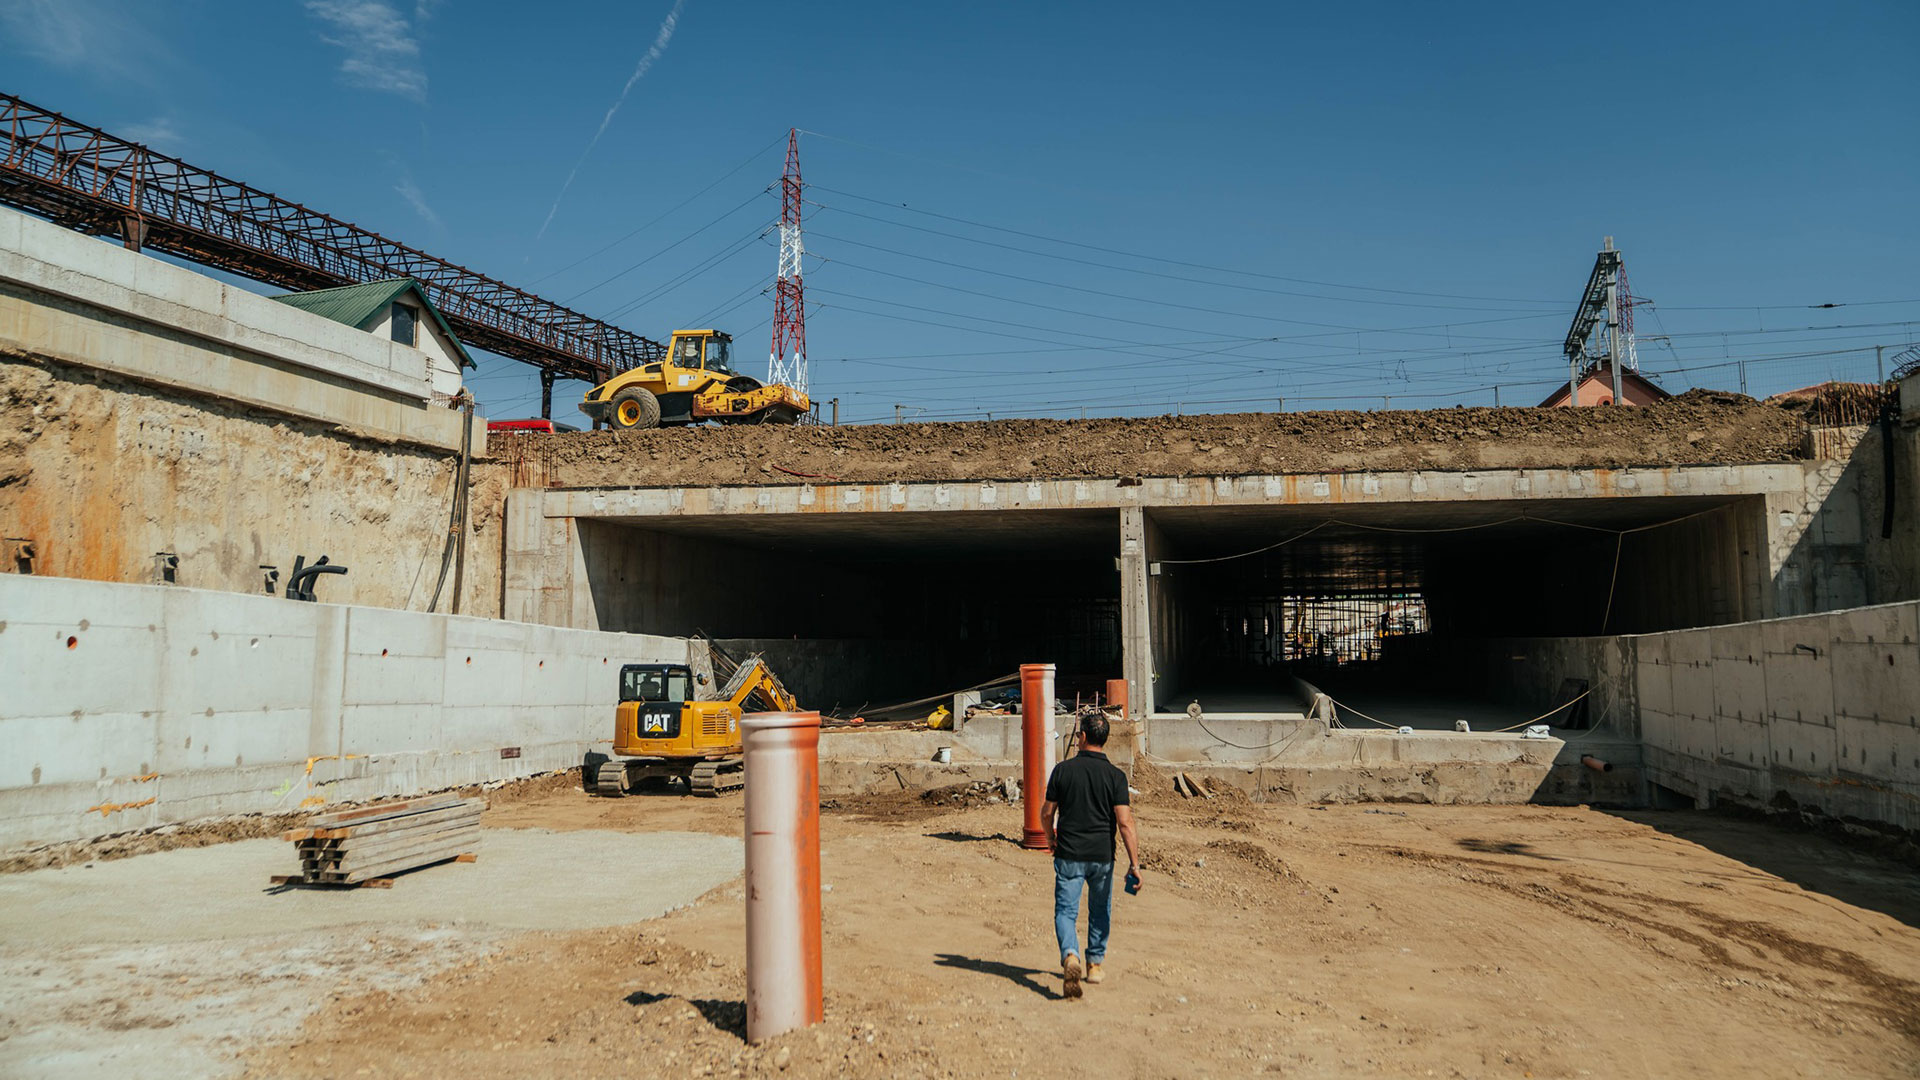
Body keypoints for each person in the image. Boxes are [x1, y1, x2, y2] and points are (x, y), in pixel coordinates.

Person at [1040, 708, 1141, 1000]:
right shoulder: (1116, 776)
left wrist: (1050, 838)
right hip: (1102, 857)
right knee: (1099, 910)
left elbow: (1047, 813)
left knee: (1066, 912)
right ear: (1104, 739)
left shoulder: (1063, 770)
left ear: (1082, 737)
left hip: (1069, 853)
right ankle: (1095, 965)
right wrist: (1135, 863)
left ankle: (1070, 954)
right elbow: (1125, 822)